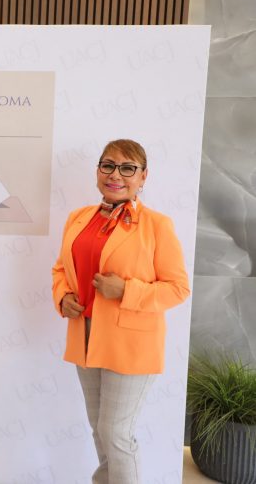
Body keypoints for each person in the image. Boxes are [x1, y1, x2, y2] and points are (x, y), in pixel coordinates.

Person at [51, 139, 190, 484]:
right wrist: (63, 296)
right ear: (98, 171)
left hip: (131, 344)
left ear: (143, 177)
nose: (116, 175)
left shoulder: (157, 225)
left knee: (116, 434)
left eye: (128, 168)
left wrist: (126, 290)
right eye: (108, 165)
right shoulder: (78, 218)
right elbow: (61, 269)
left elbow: (178, 288)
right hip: (85, 336)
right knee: (101, 431)